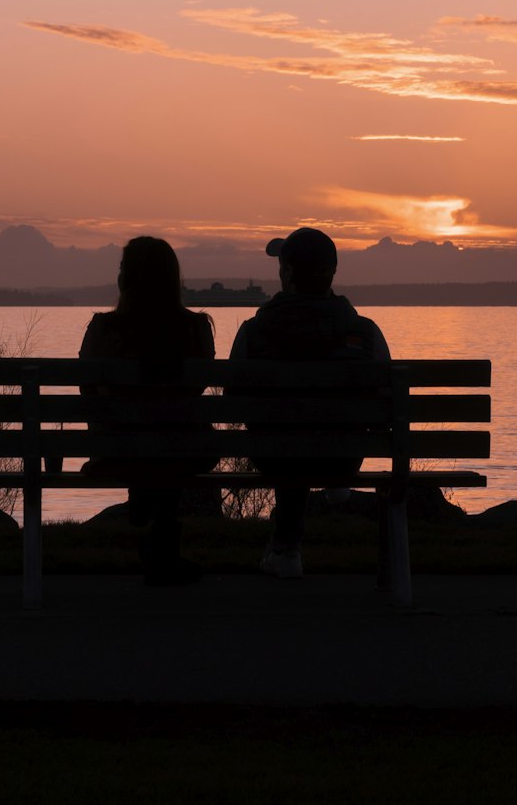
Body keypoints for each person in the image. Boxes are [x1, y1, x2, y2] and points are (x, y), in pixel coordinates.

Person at [228, 226, 390, 580]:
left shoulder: (253, 332)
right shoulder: (365, 333)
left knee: (288, 439)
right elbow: (386, 404)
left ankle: (285, 550)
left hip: (273, 455)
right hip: (342, 454)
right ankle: (333, 488)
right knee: (313, 436)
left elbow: (233, 403)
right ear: (332, 272)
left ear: (286, 273)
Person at [78, 236, 215, 586]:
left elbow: (88, 392)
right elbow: (195, 390)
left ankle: (142, 495)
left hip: (118, 453)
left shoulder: (103, 329)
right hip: (183, 452)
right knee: (172, 437)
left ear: (128, 279)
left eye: (122, 268)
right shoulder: (196, 328)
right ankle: (164, 547)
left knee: (146, 439)